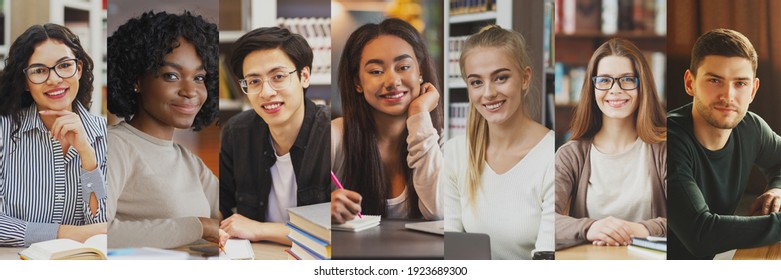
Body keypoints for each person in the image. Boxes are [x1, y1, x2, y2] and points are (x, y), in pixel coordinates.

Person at [106, 11, 225, 249]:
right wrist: (198, 227)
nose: (190, 91)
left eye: (199, 77)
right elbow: (99, 232)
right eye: (172, 76)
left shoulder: (189, 161)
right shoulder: (114, 146)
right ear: (137, 81)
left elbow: (233, 216)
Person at [668, 28, 781, 259]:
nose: (728, 96)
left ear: (753, 90)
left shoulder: (751, 127)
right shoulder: (666, 142)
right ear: (690, 83)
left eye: (740, 83)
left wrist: (777, 189)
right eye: (715, 80)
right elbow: (701, 234)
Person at [442, 25, 554, 260]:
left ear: (525, 78)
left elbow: (546, 261)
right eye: (476, 82)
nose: (489, 93)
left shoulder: (554, 157)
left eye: (501, 78)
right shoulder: (456, 153)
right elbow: (452, 252)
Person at [219, 27, 330, 246]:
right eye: (254, 82)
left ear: (304, 76)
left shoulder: (331, 134)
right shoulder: (237, 132)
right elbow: (220, 203)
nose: (266, 92)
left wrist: (261, 230)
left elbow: (338, 230)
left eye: (278, 77)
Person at [0, 23, 107, 247]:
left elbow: (106, 227)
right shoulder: (3, 132)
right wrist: (67, 234)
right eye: (39, 70)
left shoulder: (108, 136)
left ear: (78, 69)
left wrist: (87, 156)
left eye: (64, 66)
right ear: (25, 82)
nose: (54, 79)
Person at [555, 38, 667, 247]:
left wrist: (639, 230)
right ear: (592, 87)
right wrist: (590, 228)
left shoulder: (665, 150)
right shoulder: (570, 155)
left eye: (626, 79)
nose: (615, 90)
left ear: (642, 85)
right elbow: (542, 219)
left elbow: (687, 219)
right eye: (605, 80)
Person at [331, 18, 443, 223]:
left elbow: (438, 211)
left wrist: (419, 113)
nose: (392, 82)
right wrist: (323, 208)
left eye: (403, 67)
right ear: (357, 82)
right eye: (376, 71)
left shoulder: (440, 141)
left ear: (420, 73)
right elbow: (296, 208)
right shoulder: (336, 136)